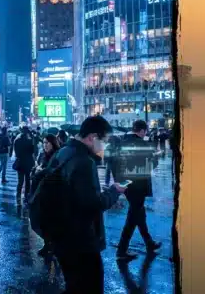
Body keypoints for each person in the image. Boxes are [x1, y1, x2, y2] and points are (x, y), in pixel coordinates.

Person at [46, 115, 126, 293]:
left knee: (73, 285)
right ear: (92, 137)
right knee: (89, 286)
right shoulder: (83, 162)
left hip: (61, 235)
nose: (104, 146)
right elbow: (91, 204)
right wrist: (113, 192)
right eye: (103, 141)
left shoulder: (64, 152)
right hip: (80, 240)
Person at [116, 120, 163, 261]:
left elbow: (114, 162)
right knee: (133, 218)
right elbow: (151, 164)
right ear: (142, 130)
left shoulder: (121, 142)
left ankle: (149, 243)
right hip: (139, 185)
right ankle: (121, 250)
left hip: (126, 185)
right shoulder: (143, 144)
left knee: (139, 214)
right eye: (146, 131)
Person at [30, 134, 62, 257]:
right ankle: (48, 243)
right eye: (43, 143)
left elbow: (52, 172)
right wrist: (36, 170)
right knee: (37, 220)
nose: (45, 145)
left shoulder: (57, 156)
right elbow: (39, 168)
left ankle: (50, 244)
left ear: (53, 143)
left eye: (47, 143)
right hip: (39, 191)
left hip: (50, 194)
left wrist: (40, 172)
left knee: (47, 221)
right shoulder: (43, 155)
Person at [13, 126, 35, 204]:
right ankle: (26, 196)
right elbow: (33, 151)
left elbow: (16, 153)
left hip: (20, 163)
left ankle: (18, 195)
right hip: (28, 163)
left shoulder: (17, 141)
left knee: (20, 181)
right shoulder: (30, 141)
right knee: (28, 180)